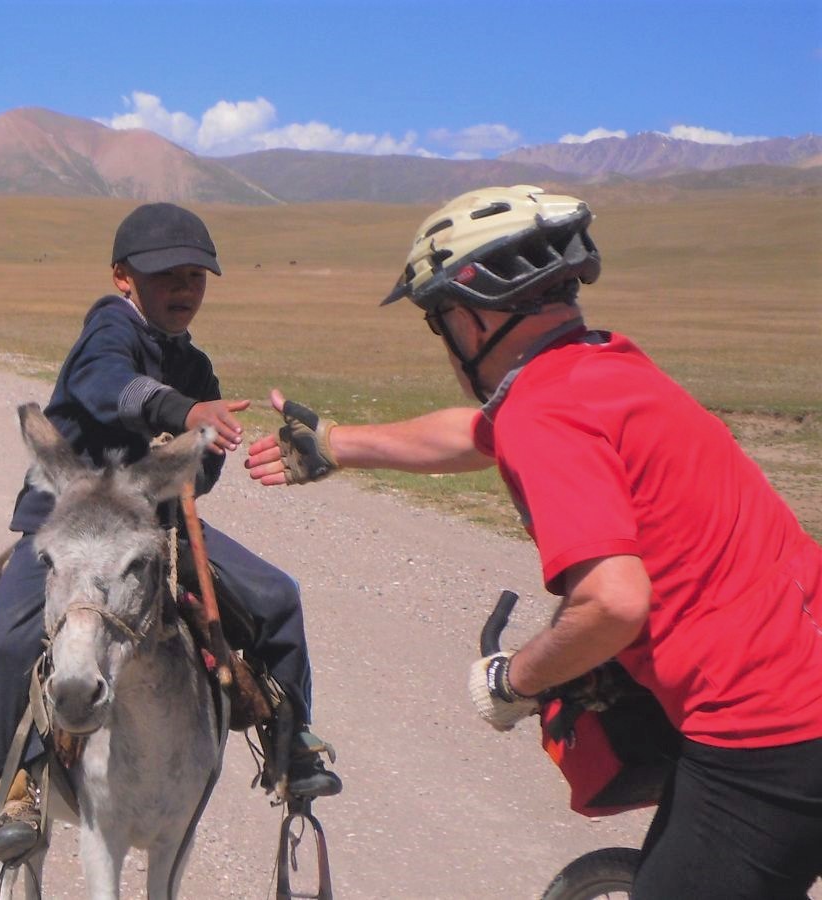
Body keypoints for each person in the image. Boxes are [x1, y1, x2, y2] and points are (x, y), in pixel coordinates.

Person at [243, 185, 822, 898]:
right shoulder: (605, 365)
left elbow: (612, 603)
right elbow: (481, 432)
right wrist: (338, 444)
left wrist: (514, 679)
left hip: (767, 730)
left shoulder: (543, 412)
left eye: (437, 320)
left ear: (471, 316)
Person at [0, 202, 342, 863]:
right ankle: (17, 786)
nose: (183, 289)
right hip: (69, 526)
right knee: (4, 643)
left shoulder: (194, 365)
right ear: (123, 277)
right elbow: (110, 388)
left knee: (276, 597)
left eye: (195, 277)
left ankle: (293, 748)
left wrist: (206, 451)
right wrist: (182, 410)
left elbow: (202, 471)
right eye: (166, 275)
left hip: (150, 531)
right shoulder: (107, 331)